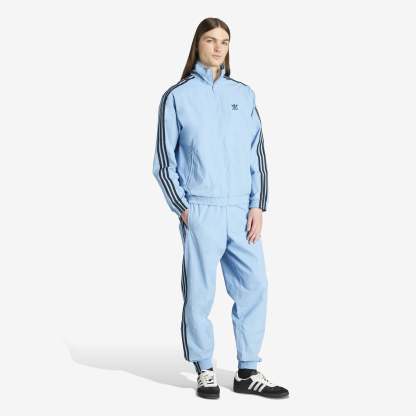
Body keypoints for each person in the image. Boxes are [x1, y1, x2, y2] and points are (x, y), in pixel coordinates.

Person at [152, 17, 289, 399]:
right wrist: (184, 209)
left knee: (254, 286)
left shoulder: (243, 94)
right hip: (201, 209)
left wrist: (258, 205)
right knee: (200, 293)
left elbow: (257, 154)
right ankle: (204, 368)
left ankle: (247, 371)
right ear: (197, 44)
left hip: (242, 211)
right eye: (210, 40)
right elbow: (164, 162)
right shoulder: (177, 97)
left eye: (224, 41)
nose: (218, 47)